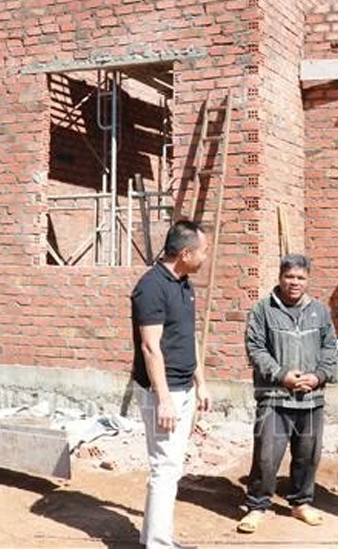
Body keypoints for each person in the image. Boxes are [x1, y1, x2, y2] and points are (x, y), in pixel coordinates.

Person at [237, 254, 338, 534]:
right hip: (274, 397)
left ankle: (300, 503)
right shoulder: (262, 310)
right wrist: (283, 376)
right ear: (280, 278)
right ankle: (257, 505)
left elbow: (330, 349)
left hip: (311, 397)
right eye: (289, 277)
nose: (294, 282)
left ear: (308, 280)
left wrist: (317, 377)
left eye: (300, 277)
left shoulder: (319, 311)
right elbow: (255, 349)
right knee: (267, 456)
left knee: (308, 454)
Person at [131, 220, 212, 549]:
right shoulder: (150, 288)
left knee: (170, 465)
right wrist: (163, 398)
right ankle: (158, 544)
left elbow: (188, 336)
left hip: (184, 387)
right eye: (203, 252)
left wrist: (201, 382)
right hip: (162, 391)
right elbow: (151, 346)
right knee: (165, 467)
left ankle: (152, 537)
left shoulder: (184, 283)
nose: (205, 258)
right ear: (186, 253)